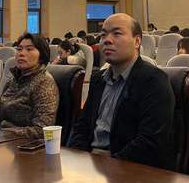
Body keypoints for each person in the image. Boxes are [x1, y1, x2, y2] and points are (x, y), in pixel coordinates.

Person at [69, 13, 175, 170]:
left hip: (127, 168)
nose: (107, 40)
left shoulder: (154, 81)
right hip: (90, 164)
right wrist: (77, 159)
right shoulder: (98, 79)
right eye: (103, 35)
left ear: (137, 41)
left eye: (117, 34)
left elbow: (149, 142)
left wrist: (108, 168)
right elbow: (82, 127)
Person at [0, 33, 58, 138]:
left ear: (41, 57)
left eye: (29, 49)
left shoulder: (44, 83)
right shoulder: (12, 80)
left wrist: (4, 133)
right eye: (19, 49)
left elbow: (41, 130)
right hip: (2, 139)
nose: (21, 53)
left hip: (23, 143)